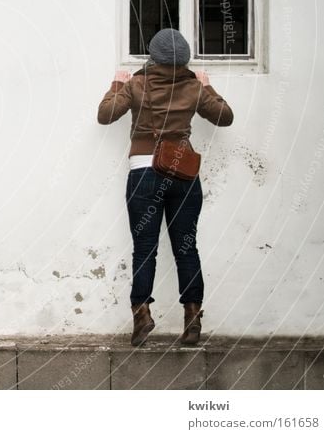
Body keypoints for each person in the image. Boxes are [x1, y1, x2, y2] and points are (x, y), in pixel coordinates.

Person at [97, 28, 233, 346]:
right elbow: (225, 117)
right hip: (183, 175)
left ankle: (142, 316)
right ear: (184, 60)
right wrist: (208, 86)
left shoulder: (136, 84)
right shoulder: (194, 87)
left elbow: (105, 115)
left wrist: (117, 82)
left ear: (152, 56)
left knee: (145, 249)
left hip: (144, 172)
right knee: (186, 248)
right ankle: (193, 319)